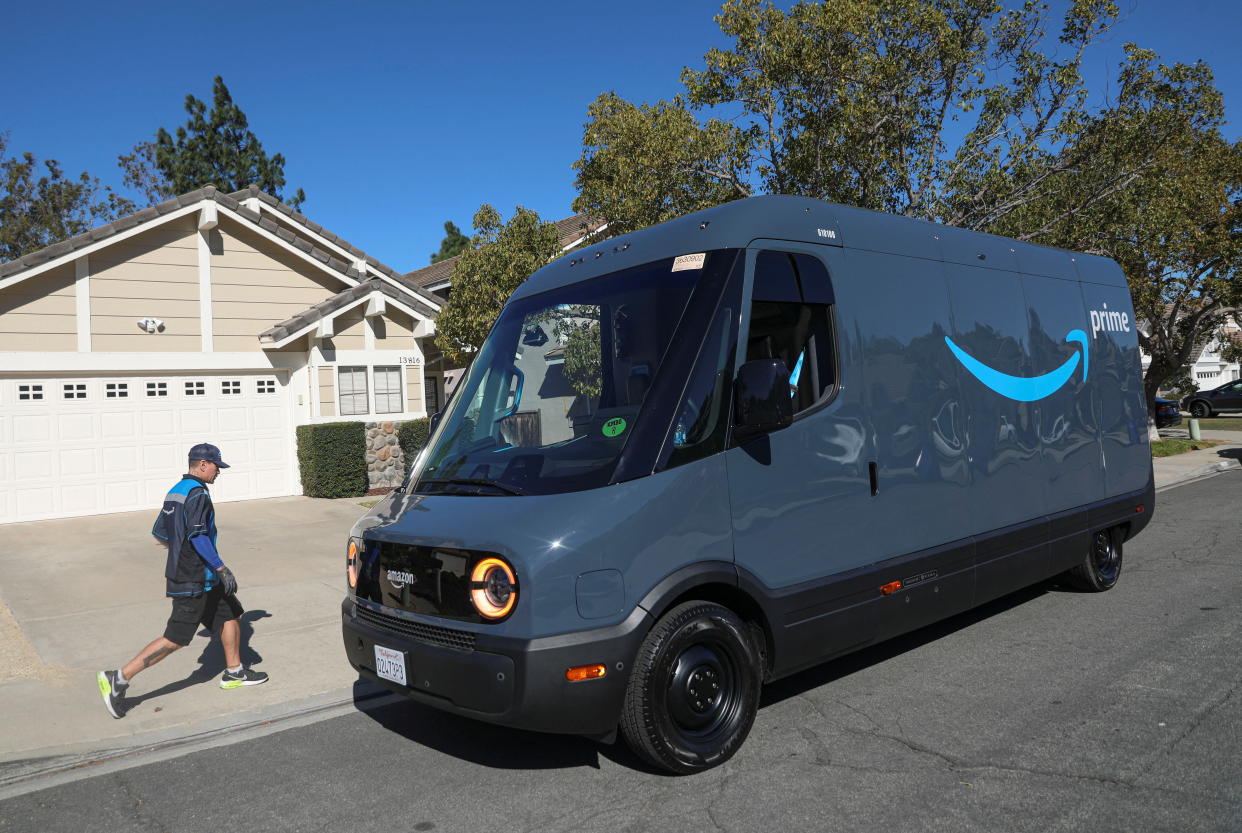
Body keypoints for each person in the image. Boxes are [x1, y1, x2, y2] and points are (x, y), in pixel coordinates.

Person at [97, 443, 268, 719]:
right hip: (193, 577)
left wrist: (179, 548)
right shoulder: (198, 493)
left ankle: (234, 672)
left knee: (231, 614)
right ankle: (118, 677)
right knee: (176, 638)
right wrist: (221, 567)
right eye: (215, 467)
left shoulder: (176, 491)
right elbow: (199, 536)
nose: (218, 473)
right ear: (202, 464)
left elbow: (160, 532)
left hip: (202, 576)